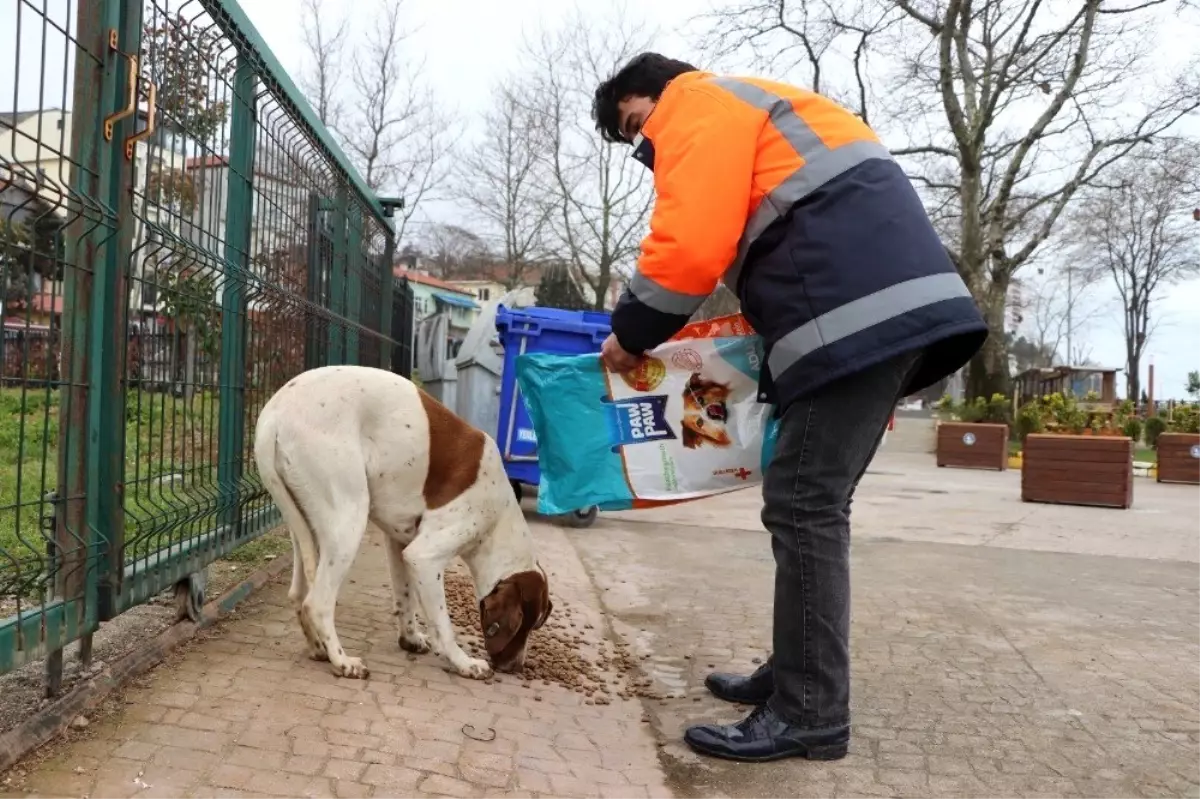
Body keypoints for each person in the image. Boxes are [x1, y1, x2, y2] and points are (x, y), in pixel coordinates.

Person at [592, 54, 987, 763]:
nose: (643, 146)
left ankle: (808, 712)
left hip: (860, 316)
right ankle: (796, 672)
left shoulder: (698, 103)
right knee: (808, 502)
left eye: (634, 124)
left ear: (656, 92)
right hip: (881, 311)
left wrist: (631, 333)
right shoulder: (757, 108)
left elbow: (689, 246)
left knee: (805, 505)